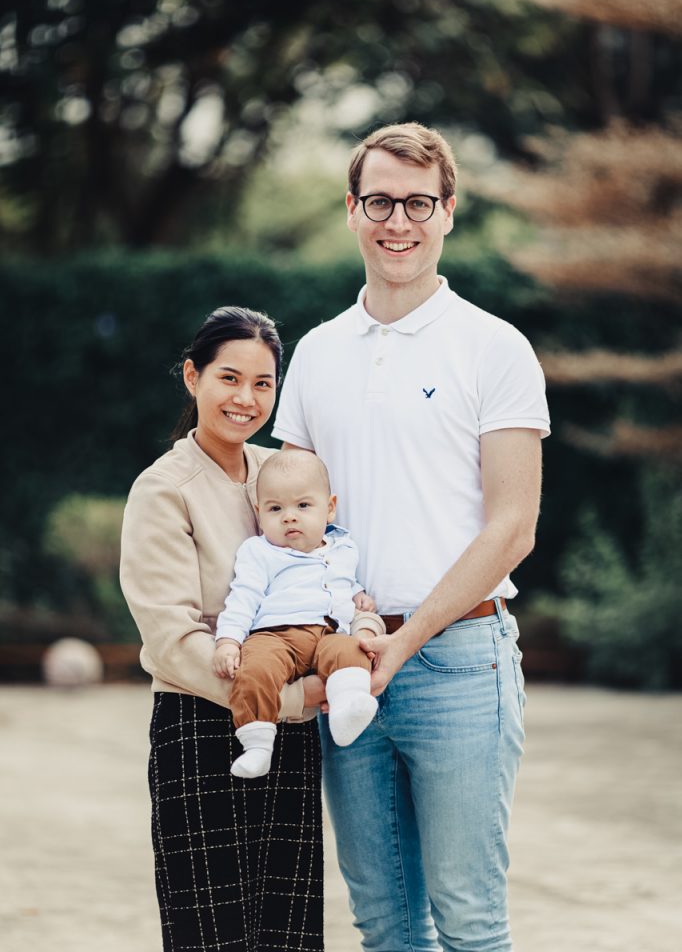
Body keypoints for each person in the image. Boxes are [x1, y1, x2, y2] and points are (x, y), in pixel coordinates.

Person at [272, 123, 551, 952]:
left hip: (461, 663)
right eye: (382, 201)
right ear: (353, 211)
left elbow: (514, 527)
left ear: (449, 212)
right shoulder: (317, 354)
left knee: (468, 919)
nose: (401, 222)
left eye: (419, 203)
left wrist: (409, 638)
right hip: (348, 665)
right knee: (387, 924)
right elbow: (295, 521)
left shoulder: (494, 347)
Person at [119, 306, 384, 952]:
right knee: (212, 933)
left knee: (288, 930)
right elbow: (173, 644)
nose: (245, 399)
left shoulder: (281, 475)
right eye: (229, 378)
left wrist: (361, 617)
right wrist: (295, 699)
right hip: (202, 726)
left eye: (262, 383)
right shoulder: (164, 490)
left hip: (289, 736)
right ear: (192, 377)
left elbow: (333, 560)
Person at [213, 448, 380, 778]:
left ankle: (348, 706)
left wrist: (358, 595)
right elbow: (243, 596)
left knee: (351, 650)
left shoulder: (343, 548)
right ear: (260, 514)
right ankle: (258, 743)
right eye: (276, 508)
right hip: (275, 635)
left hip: (328, 633)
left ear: (329, 509)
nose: (289, 516)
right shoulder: (260, 552)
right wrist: (228, 640)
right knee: (255, 669)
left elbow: (343, 581)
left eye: (303, 506)